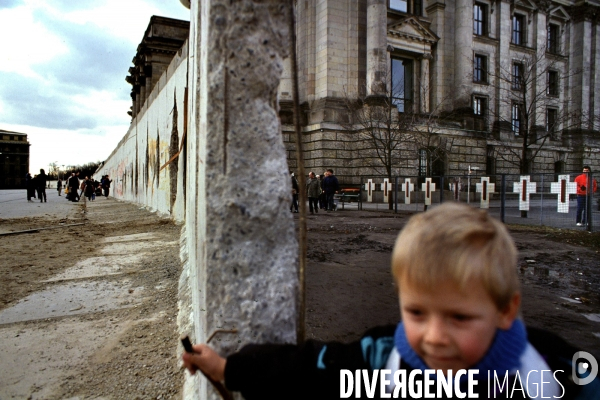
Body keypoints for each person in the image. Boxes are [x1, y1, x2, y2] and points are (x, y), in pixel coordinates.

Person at [182, 203, 598, 399]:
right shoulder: (383, 361)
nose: (434, 336)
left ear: (506, 310)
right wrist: (228, 366)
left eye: (459, 317)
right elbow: (311, 370)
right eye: (416, 312)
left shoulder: (554, 370)